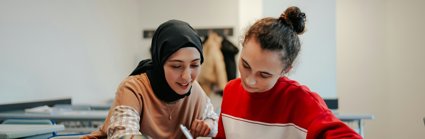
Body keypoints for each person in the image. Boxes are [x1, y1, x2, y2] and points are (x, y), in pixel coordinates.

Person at [215, 6, 362, 139]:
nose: (249, 80)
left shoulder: (301, 101)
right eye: (245, 65)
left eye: (264, 74)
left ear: (285, 70)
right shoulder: (230, 91)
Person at [83, 20, 218, 139]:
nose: (187, 77)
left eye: (195, 65)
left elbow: (214, 120)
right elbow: (123, 135)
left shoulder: (194, 89)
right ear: (160, 63)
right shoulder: (133, 88)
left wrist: (208, 125)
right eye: (176, 66)